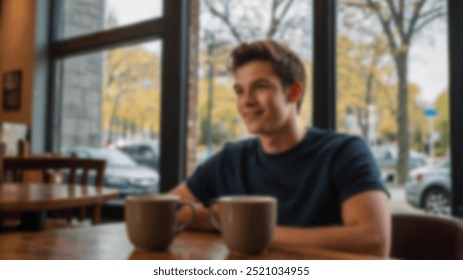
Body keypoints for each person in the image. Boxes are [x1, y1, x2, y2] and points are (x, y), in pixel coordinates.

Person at [170, 40, 390, 257]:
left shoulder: (343, 152)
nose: (246, 101)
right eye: (239, 91)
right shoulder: (230, 160)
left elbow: (374, 240)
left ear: (293, 92)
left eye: (260, 87)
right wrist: (214, 219)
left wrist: (248, 230)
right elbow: (168, 211)